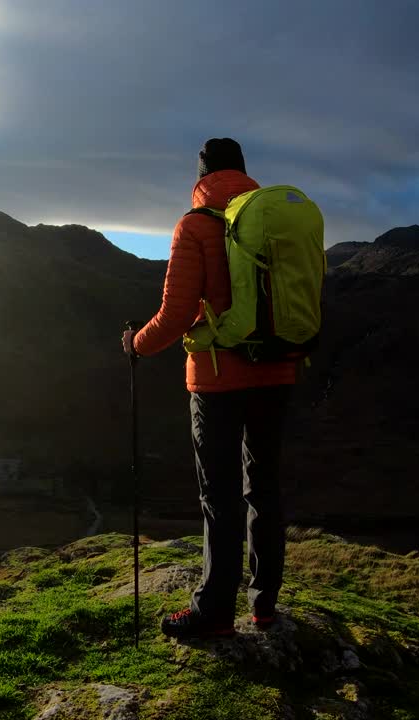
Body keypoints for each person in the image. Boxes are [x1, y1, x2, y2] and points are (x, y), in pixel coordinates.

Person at [122, 138, 296, 639]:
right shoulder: (275, 224)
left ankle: (214, 612)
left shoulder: (195, 226)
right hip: (278, 371)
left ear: (201, 176)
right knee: (264, 488)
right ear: (244, 173)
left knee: (220, 495)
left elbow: (176, 315)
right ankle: (264, 605)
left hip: (218, 380)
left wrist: (136, 344)